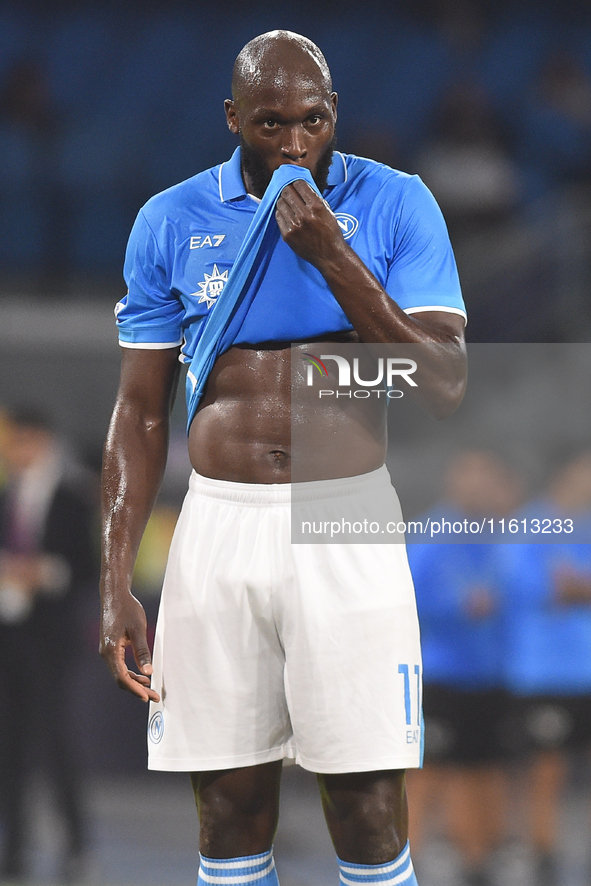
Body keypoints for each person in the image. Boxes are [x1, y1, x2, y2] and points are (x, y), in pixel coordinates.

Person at [99, 30, 467, 886]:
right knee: (227, 809)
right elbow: (140, 413)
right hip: (219, 525)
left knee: (368, 807)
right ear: (233, 119)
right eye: (270, 124)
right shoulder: (170, 219)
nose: (294, 142)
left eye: (311, 121)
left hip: (345, 517)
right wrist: (117, 580)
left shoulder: (396, 203)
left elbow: (441, 384)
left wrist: (334, 256)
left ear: (333, 113)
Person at [406, 451, 522, 886]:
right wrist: (460, 606)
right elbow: (407, 597)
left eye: (487, 477)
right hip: (443, 675)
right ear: (454, 482)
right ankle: (405, 863)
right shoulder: (432, 533)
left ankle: (478, 863)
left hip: (492, 676)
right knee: (431, 774)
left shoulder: (499, 536)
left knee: (484, 771)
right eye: (471, 476)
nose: (480, 486)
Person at [0, 406, 96, 883]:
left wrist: (45, 571)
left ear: (40, 441)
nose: (16, 451)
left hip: (53, 640)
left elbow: (84, 565)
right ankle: (14, 850)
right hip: (11, 636)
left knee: (57, 744)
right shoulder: (6, 496)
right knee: (12, 748)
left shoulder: (71, 498)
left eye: (22, 441)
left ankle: (76, 845)